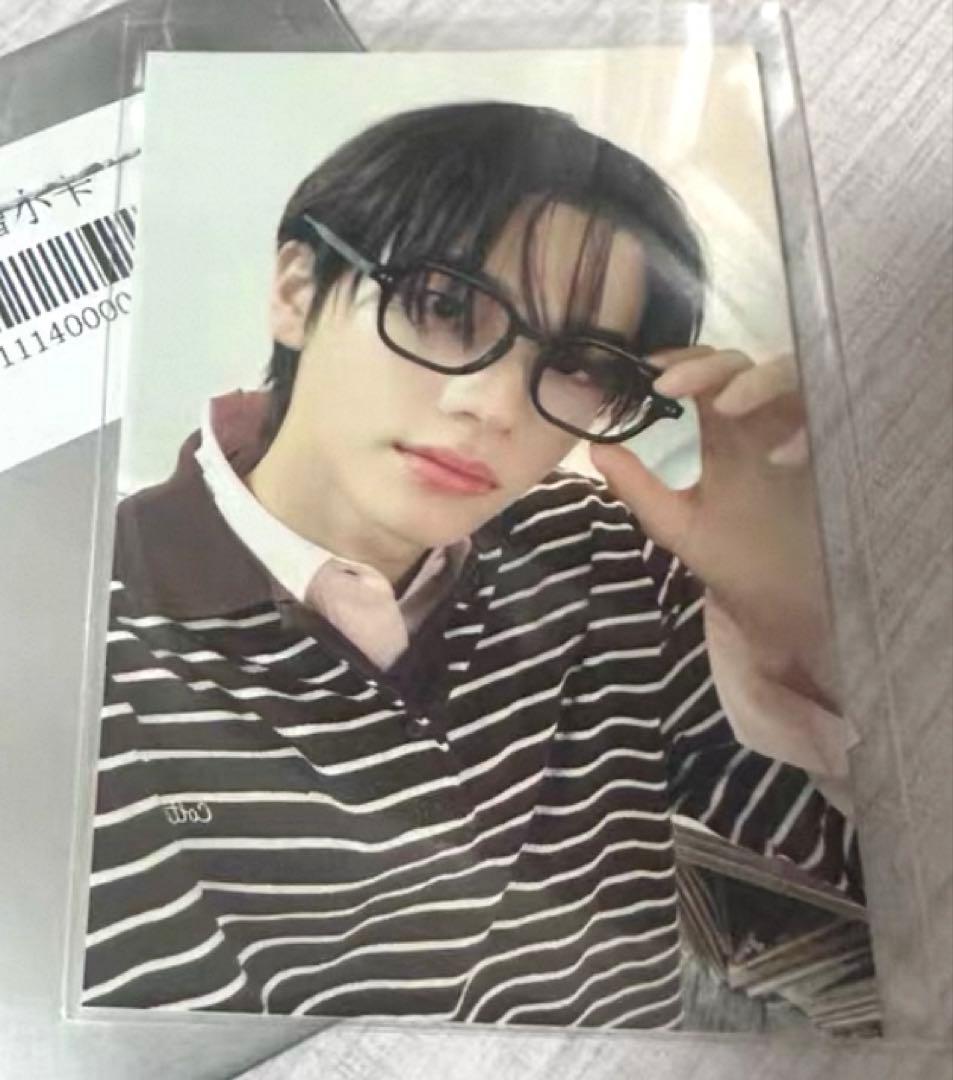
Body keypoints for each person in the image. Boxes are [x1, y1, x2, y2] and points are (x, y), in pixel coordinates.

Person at [83, 101, 861, 1028]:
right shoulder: (86, 638)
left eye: (578, 364)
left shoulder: (605, 553)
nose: (493, 405)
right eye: (442, 308)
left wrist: (803, 634)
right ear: (296, 291)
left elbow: (884, 878)